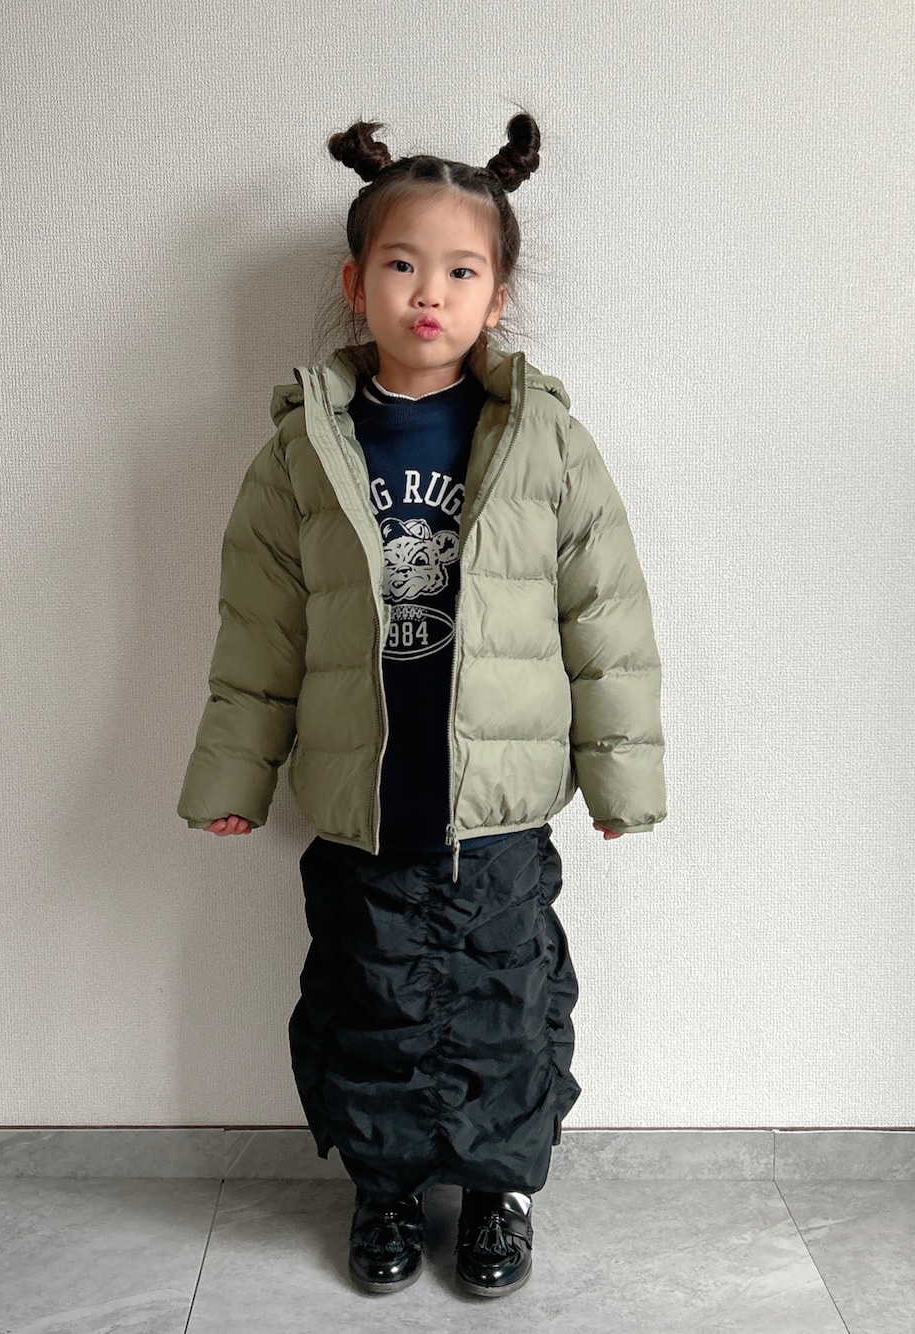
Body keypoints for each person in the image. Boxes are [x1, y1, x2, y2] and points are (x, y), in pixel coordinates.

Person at [178, 112, 666, 1299]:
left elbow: (605, 616)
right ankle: (386, 1186)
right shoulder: (303, 451)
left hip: (495, 811)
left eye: (460, 270)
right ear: (356, 285)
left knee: (506, 1003)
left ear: (497, 294)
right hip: (363, 802)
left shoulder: (545, 441)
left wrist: (621, 776)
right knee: (372, 1003)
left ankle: (497, 1191)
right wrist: (237, 771)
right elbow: (260, 629)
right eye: (401, 265)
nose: (429, 292)